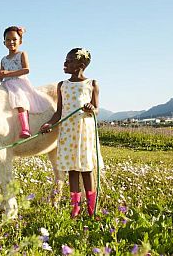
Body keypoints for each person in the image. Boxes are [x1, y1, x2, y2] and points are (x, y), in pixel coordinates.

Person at [40, 47, 104, 218]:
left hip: (84, 131)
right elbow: (59, 111)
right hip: (68, 132)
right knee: (72, 170)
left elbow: (97, 110)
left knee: (87, 169)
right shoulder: (62, 86)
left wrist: (92, 108)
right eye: (65, 60)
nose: (65, 63)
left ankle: (91, 208)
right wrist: (50, 124)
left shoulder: (92, 84)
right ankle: (75, 207)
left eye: (69, 61)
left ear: (80, 65)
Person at [0, 26, 48, 138]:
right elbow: (1, 76)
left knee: (20, 102)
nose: (11, 42)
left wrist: (8, 74)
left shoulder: (21, 54)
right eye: (8, 40)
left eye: (14, 39)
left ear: (20, 41)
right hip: (6, 84)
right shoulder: (3, 59)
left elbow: (26, 70)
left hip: (18, 84)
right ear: (4, 42)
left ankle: (25, 128)